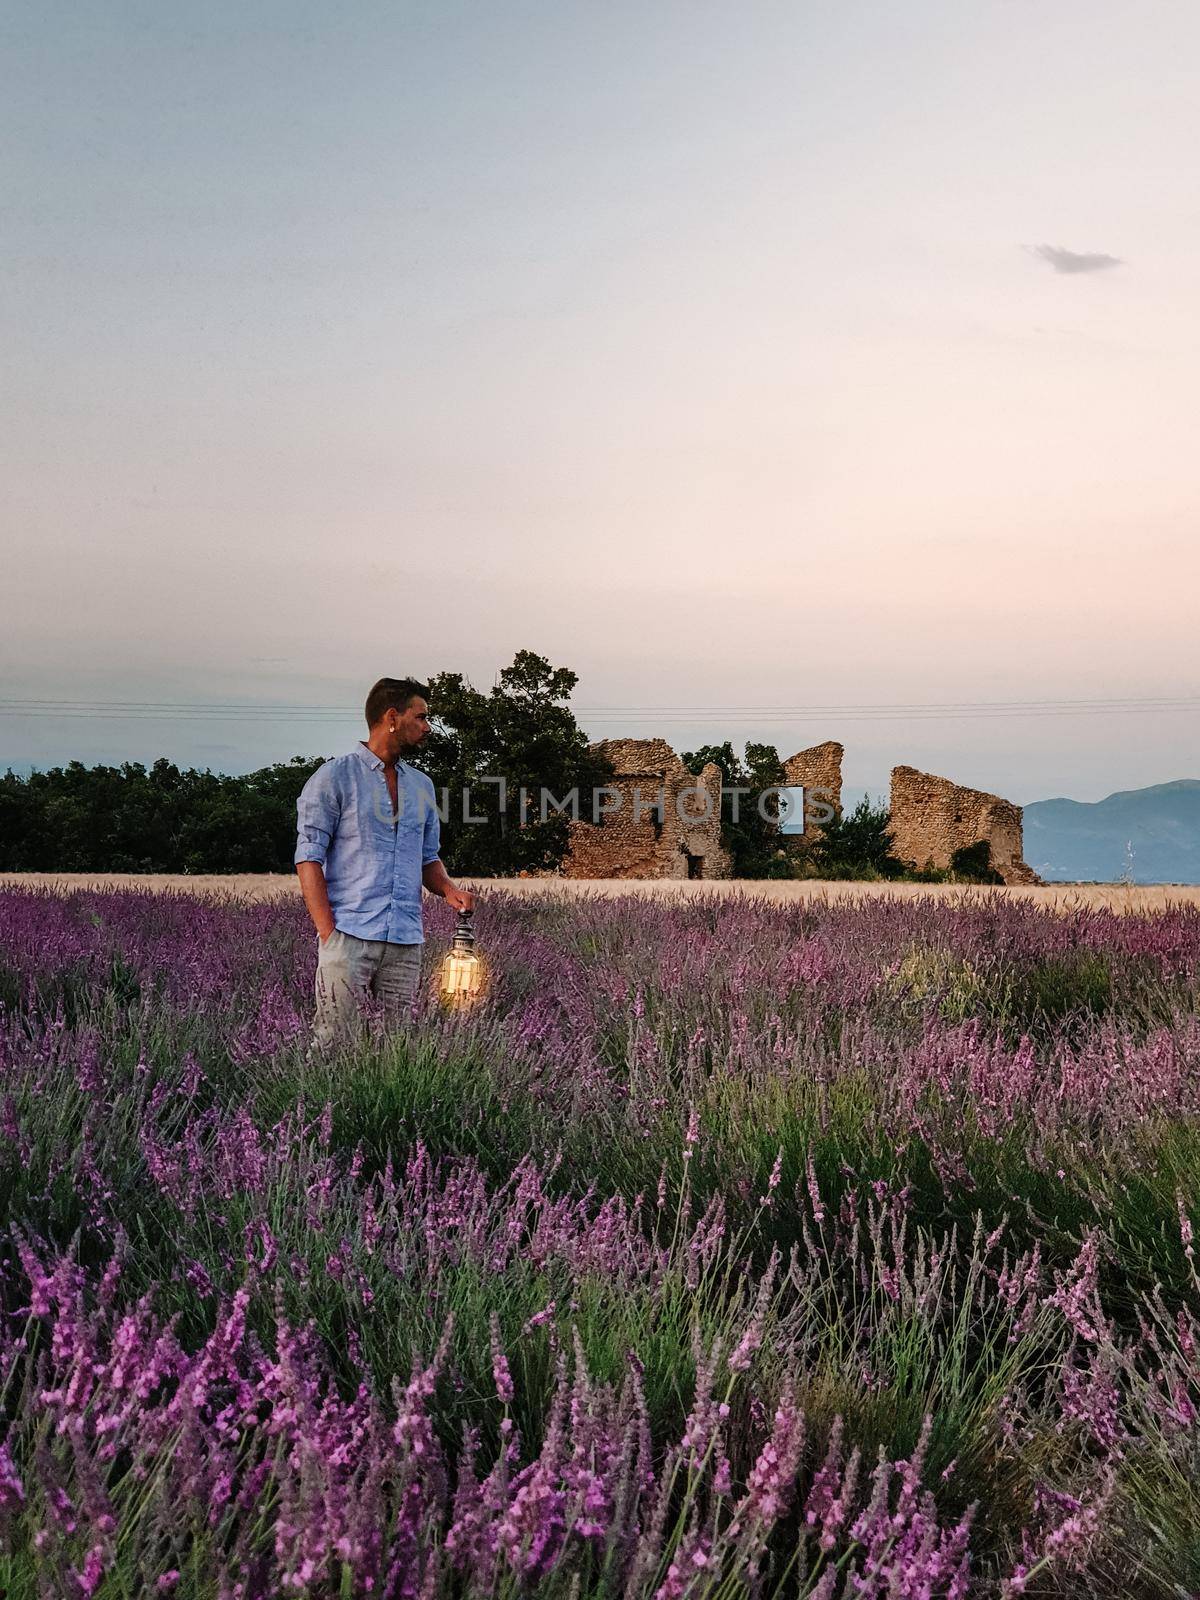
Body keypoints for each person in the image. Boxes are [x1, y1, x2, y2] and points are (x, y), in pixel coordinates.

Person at [294, 676, 473, 1050]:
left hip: (406, 942)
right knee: (331, 1045)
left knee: (395, 1051)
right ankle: (312, 1109)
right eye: (421, 717)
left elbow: (427, 858)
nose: (427, 727)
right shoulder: (334, 777)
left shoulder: (422, 786)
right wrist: (330, 935)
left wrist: (448, 889)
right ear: (392, 717)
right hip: (350, 937)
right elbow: (308, 858)